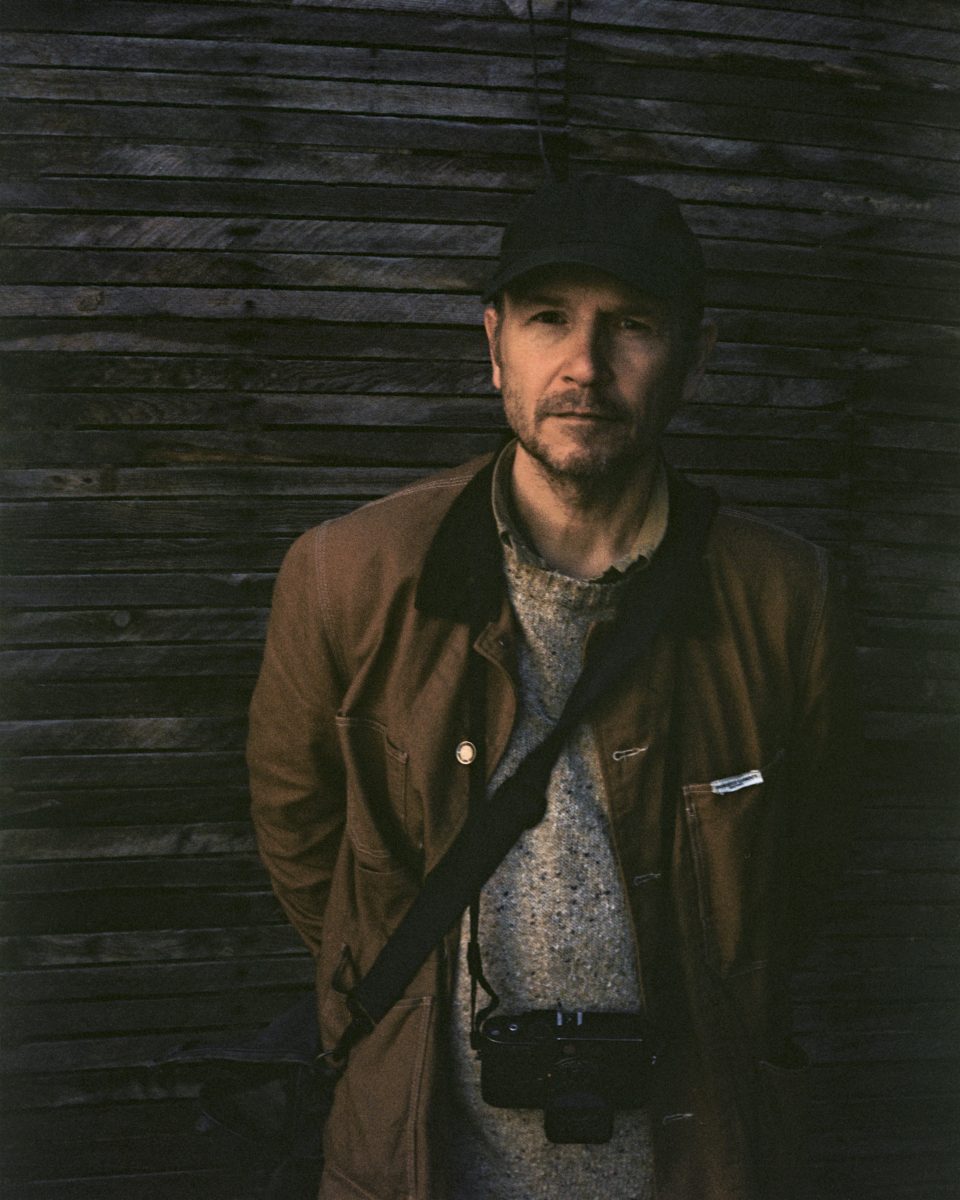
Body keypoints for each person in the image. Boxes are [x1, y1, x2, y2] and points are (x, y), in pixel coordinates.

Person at [247, 175, 859, 1200]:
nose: (584, 365)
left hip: (697, 1163)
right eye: (547, 320)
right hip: (420, 1162)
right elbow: (307, 847)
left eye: (633, 325)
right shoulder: (346, 578)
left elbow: (802, 872)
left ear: (694, 357)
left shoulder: (786, 596)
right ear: (495, 345)